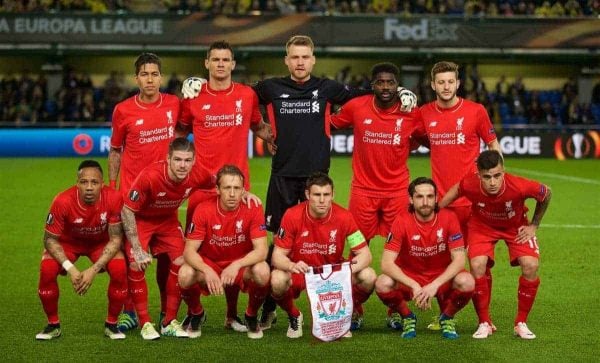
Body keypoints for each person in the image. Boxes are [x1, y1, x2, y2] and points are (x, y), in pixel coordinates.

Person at [181, 35, 417, 328]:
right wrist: (198, 84)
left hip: (317, 179)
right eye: (295, 57)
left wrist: (402, 92)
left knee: (321, 238)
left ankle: (336, 302)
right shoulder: (270, 88)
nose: (300, 62)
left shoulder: (327, 88)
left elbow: (367, 93)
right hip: (282, 176)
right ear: (287, 60)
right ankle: (269, 304)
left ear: (313, 59)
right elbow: (233, 91)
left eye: (305, 57)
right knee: (275, 243)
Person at [177, 41, 273, 332]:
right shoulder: (193, 96)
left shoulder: (246, 95)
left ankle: (232, 315)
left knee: (236, 252)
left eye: (226, 59)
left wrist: (287, 139)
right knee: (192, 258)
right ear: (206, 63)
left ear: (233, 64)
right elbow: (178, 133)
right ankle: (195, 311)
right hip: (201, 190)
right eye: (215, 59)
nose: (220, 64)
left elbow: (261, 128)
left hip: (237, 190)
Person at [330, 62, 426, 330]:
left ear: (398, 85)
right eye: (380, 82)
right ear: (372, 85)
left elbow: (424, 138)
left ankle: (397, 309)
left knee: (401, 255)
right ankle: (354, 309)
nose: (385, 87)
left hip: (397, 193)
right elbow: (328, 124)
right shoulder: (357, 107)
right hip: (363, 193)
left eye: (391, 82)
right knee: (357, 253)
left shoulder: (411, 113)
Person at [419, 61, 501, 330]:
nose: (446, 86)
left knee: (480, 264)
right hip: (443, 204)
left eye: (450, 82)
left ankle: (484, 321)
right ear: (433, 85)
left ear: (458, 83)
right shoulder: (424, 114)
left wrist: (498, 180)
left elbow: (492, 144)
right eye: (440, 82)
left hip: (475, 205)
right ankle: (446, 317)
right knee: (443, 263)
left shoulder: (476, 112)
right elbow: (409, 135)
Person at [439, 150, 552, 339]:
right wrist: (435, 211)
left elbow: (546, 193)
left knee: (531, 265)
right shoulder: (470, 183)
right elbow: (457, 189)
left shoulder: (520, 185)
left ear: (503, 171)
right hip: (481, 226)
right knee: (477, 265)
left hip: (515, 226)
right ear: (478, 174)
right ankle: (484, 322)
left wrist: (534, 225)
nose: (493, 182)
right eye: (487, 177)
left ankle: (520, 323)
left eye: (497, 175)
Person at [109, 52, 180, 332]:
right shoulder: (123, 110)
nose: (149, 79)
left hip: (165, 200)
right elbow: (115, 151)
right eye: (144, 74)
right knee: (132, 259)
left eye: (154, 74)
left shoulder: (174, 105)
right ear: (136, 78)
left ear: (160, 77)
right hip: (133, 202)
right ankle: (130, 311)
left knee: (168, 259)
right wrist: (113, 190)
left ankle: (167, 310)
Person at [270, 172, 376, 339]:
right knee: (277, 279)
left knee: (368, 276)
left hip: (331, 274)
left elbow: (365, 254)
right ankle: (294, 315)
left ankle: (344, 315)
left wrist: (345, 270)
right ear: (307, 195)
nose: (322, 200)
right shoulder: (292, 215)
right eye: (317, 195)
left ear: (332, 194)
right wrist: (291, 265)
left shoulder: (344, 216)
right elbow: (277, 256)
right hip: (302, 271)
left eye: (326, 195)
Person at [121, 137, 207, 340]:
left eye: (187, 160)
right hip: (141, 220)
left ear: (194, 161)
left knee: (181, 261)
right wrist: (137, 247)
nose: (182, 165)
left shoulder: (198, 174)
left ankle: (168, 321)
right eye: (177, 159)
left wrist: (244, 192)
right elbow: (127, 210)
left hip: (168, 221)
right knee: (136, 263)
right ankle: (145, 323)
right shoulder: (150, 176)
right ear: (168, 159)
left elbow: (219, 181)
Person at [36, 160, 128, 340]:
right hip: (68, 244)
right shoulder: (62, 200)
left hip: (100, 243)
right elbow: (49, 240)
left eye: (94, 182)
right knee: (47, 270)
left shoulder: (114, 198)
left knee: (119, 269)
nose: (89, 187)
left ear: (102, 184)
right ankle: (53, 325)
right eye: (84, 182)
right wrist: (71, 268)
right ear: (77, 183)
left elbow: (116, 238)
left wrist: (93, 270)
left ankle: (112, 324)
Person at [375, 177, 474, 339]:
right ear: (411, 200)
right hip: (410, 276)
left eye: (429, 196)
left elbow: (459, 259)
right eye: (419, 197)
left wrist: (434, 285)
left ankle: (447, 317)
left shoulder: (449, 218)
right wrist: (414, 285)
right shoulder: (401, 220)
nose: (425, 202)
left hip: (440, 276)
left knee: (467, 281)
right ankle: (407, 316)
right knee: (382, 283)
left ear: (436, 198)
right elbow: (386, 263)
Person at [178, 165, 270, 339]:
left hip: (239, 263)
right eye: (227, 188)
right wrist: (207, 270)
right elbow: (189, 252)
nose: (233, 194)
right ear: (217, 189)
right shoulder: (204, 209)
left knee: (262, 270)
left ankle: (250, 315)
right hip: (210, 262)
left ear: (244, 190)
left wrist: (237, 264)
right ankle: (197, 313)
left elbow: (262, 251)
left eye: (237, 188)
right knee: (185, 274)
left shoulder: (254, 207)